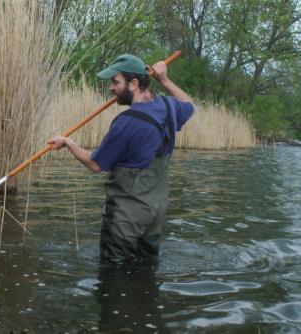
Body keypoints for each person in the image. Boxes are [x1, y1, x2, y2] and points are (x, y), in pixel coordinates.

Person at [48, 54, 194, 264]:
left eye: (115, 82)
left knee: (114, 274)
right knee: (146, 269)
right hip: (155, 213)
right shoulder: (169, 107)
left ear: (134, 83)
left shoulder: (126, 123)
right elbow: (189, 104)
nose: (110, 88)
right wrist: (165, 80)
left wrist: (70, 144)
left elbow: (95, 164)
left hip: (126, 219)